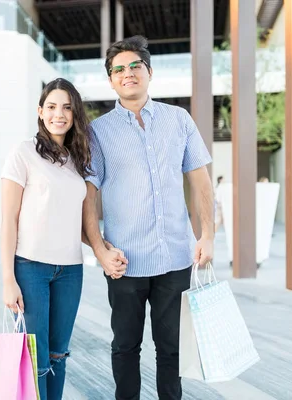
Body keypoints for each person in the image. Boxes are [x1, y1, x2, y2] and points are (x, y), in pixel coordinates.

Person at [82, 35, 214, 400]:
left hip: (175, 256)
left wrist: (208, 236)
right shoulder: (98, 131)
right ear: (111, 80)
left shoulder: (179, 119)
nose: (128, 74)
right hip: (125, 261)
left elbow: (200, 180)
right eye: (118, 69)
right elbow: (89, 197)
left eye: (134, 66)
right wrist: (99, 250)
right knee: (125, 347)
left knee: (171, 348)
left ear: (149, 72)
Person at [0, 78, 105, 400]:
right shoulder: (23, 152)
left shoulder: (77, 160)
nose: (59, 114)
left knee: (58, 354)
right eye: (52, 106)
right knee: (37, 357)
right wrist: (8, 279)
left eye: (67, 108)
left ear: (74, 114)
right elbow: (8, 220)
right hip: (31, 267)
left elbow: (74, 222)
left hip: (71, 270)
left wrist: (103, 248)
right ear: (40, 112)